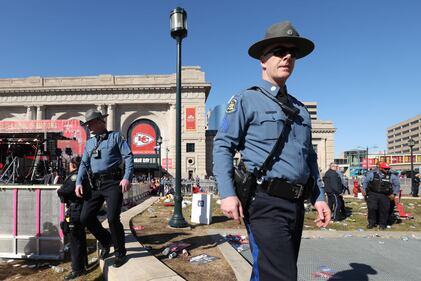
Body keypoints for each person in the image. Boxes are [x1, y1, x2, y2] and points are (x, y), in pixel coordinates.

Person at [213, 21, 331, 281]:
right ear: (262, 60)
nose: (287, 56)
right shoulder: (246, 99)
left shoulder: (300, 111)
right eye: (279, 50)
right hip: (264, 201)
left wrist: (319, 196)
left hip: (296, 204)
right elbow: (223, 145)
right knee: (282, 275)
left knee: (268, 271)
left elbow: (308, 157)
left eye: (293, 53)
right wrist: (227, 193)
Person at [75, 109, 134, 268]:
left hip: (113, 183)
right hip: (95, 184)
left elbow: (128, 157)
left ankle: (120, 252)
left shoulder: (115, 137)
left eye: (91, 123)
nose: (89, 127)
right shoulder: (89, 143)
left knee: (113, 218)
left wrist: (126, 177)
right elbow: (84, 164)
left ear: (101, 121)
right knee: (85, 217)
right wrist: (78, 182)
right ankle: (106, 240)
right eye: (87, 125)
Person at [57, 156, 87, 280]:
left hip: (75, 210)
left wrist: (60, 190)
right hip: (77, 209)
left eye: (69, 164)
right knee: (79, 239)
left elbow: (66, 191)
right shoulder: (81, 175)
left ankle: (77, 270)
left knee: (75, 241)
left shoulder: (75, 177)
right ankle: (82, 266)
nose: (68, 166)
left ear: (73, 165)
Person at [362, 162, 398, 230]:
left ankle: (382, 224)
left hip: (385, 195)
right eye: (385, 169)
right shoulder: (372, 174)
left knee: (384, 210)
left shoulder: (392, 176)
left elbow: (397, 185)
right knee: (372, 208)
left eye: (388, 169)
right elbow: (365, 182)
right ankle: (371, 223)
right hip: (373, 193)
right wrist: (364, 190)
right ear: (380, 168)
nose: (387, 170)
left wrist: (394, 194)